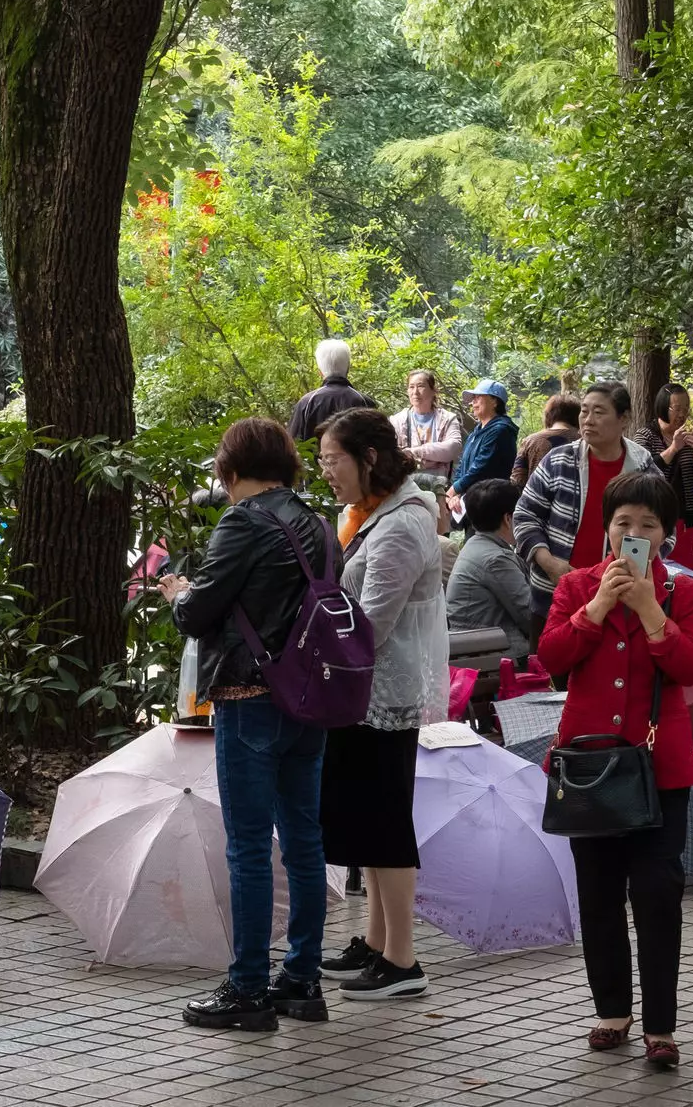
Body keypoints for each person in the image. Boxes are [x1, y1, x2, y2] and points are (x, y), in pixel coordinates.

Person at [160, 418, 333, 1031]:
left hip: (249, 695)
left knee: (250, 848)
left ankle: (248, 990)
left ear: (231, 469)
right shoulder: (316, 524)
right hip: (308, 699)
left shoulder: (242, 520)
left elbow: (200, 612)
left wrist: (179, 594)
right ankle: (303, 980)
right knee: (306, 844)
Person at [540, 470, 693, 1068]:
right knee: (599, 891)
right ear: (606, 529)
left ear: (666, 534)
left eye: (648, 525)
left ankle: (662, 1025)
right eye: (623, 524)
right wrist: (600, 604)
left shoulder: (679, 591)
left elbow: (690, 666)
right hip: (588, 767)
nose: (634, 535)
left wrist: (650, 612)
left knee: (659, 892)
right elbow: (553, 656)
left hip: (660, 768)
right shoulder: (578, 585)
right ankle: (612, 1010)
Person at [314, 408, 447, 1001]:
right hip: (365, 696)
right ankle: (373, 942)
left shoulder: (400, 525)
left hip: (383, 698)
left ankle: (402, 960)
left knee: (387, 822)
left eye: (332, 461)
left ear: (368, 458)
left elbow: (371, 623)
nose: (326, 473)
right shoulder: (379, 515)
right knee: (371, 822)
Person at [513, 381, 660, 610]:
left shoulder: (643, 467)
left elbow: (666, 530)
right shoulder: (557, 461)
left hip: (620, 600)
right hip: (553, 593)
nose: (588, 420)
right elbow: (525, 515)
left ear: (624, 419)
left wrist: (638, 564)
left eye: (599, 412)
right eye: (584, 411)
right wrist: (549, 563)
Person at [445, 478, 543, 661]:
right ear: (508, 519)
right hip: (496, 659)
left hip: (477, 652)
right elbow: (531, 616)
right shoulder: (495, 559)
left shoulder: (476, 545)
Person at [637, 384, 693, 570]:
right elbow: (641, 472)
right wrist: (673, 449)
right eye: (677, 408)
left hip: (685, 519)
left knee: (684, 575)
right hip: (654, 517)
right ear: (663, 407)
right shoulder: (645, 435)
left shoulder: (687, 439)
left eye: (686, 409)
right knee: (655, 570)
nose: (682, 414)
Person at [287, 339, 373, 442]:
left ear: (320, 372)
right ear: (348, 367)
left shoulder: (306, 403)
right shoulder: (364, 402)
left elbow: (294, 443)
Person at [446, 380, 518, 503]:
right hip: (471, 499)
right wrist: (456, 494)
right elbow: (462, 464)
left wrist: (454, 489)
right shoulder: (476, 432)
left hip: (490, 500)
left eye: (478, 396)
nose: (473, 402)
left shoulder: (500, 431)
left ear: (495, 401)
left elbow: (481, 467)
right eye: (473, 397)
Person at [388, 370, 464, 481]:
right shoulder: (398, 420)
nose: (415, 392)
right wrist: (435, 456)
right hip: (406, 485)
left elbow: (453, 448)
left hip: (440, 485)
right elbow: (393, 454)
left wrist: (414, 452)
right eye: (411, 387)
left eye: (420, 386)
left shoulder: (448, 418)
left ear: (433, 391)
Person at [512, 394, 580, 486]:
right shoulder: (585, 441)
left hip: (535, 496)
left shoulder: (530, 441)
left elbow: (517, 478)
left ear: (549, 414)